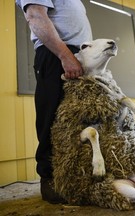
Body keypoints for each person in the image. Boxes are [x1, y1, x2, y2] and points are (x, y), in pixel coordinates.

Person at [15, 0, 93, 203]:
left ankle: (77, 178)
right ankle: (50, 180)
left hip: (77, 54)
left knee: (78, 123)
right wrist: (65, 56)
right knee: (50, 118)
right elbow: (35, 17)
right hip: (56, 54)